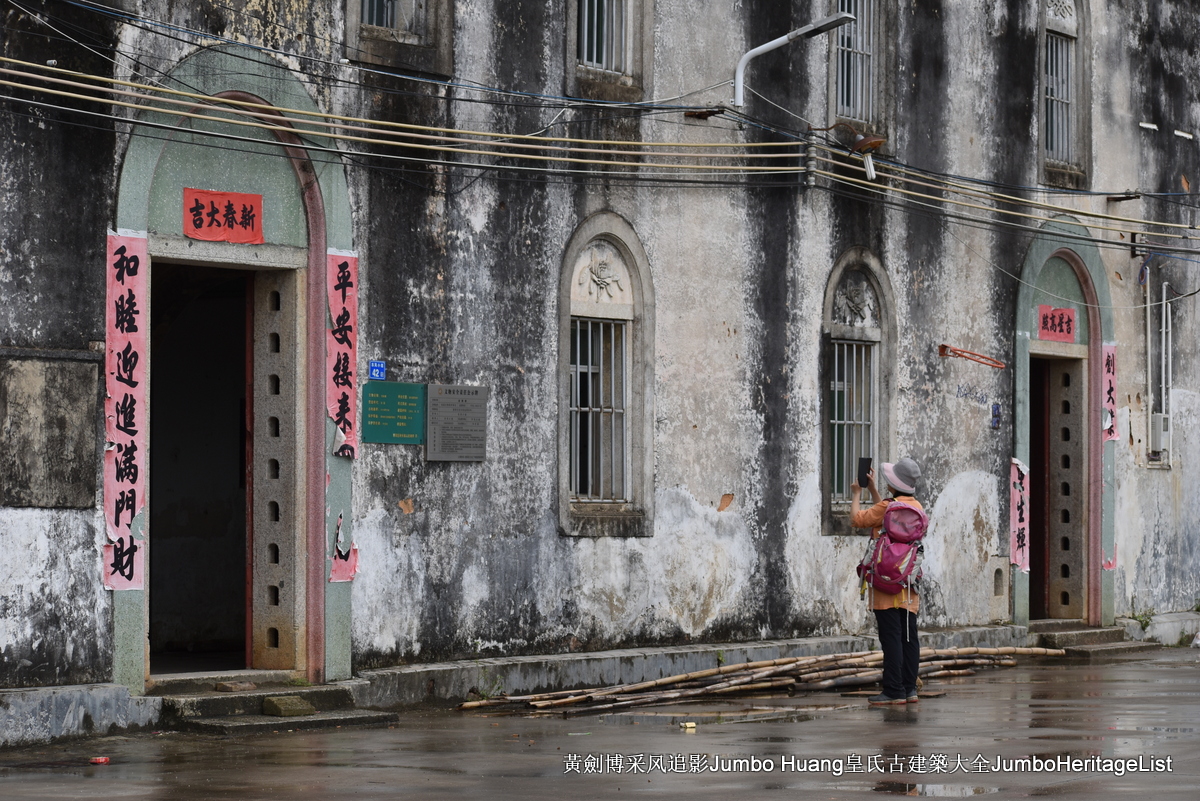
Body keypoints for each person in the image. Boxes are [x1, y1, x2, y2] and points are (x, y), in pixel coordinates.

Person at [850, 457, 924, 706]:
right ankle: (909, 688)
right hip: (907, 579)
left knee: (890, 636)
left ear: (894, 483)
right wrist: (873, 490)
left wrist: (857, 493)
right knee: (908, 636)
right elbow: (887, 517)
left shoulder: (887, 506)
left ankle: (893, 690)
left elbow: (859, 520)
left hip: (884, 580)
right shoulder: (917, 507)